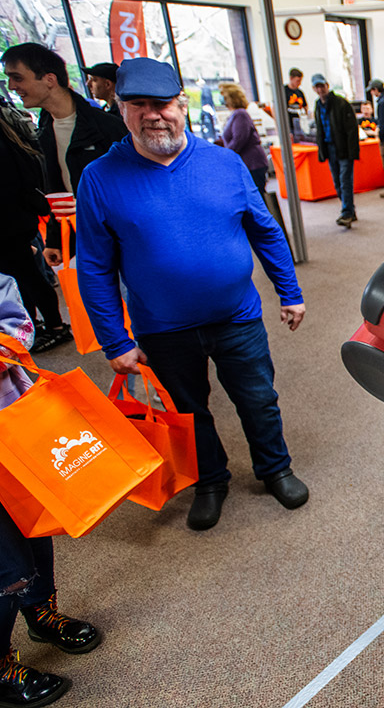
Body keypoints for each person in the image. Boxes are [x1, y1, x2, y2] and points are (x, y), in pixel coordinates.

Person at [76, 57, 308, 532]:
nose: (152, 114)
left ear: (181, 104)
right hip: (162, 327)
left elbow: (265, 231)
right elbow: (95, 267)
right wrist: (114, 341)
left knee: (258, 399)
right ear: (120, 109)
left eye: (162, 103)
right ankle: (210, 480)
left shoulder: (224, 162)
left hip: (237, 317)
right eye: (137, 105)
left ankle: (275, 468)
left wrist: (289, 291)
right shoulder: (100, 178)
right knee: (187, 411)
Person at [1, 273, 102, 708]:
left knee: (35, 526)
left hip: (15, 425)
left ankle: (41, 613)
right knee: (6, 565)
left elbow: (16, 318)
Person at [1, 43, 127, 273]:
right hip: (81, 241)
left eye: (17, 77)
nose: (11, 86)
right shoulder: (45, 128)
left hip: (120, 240)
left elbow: (134, 186)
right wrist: (54, 239)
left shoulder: (108, 127)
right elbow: (57, 191)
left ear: (49, 79)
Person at [0, 96, 68, 356]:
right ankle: (35, 323)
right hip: (17, 222)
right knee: (22, 278)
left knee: (26, 278)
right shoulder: (10, 138)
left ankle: (53, 325)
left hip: (9, 225)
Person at [311, 73, 359, 227]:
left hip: (343, 148)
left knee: (345, 181)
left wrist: (353, 152)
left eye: (322, 86)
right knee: (337, 183)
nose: (320, 89)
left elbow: (352, 130)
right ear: (314, 88)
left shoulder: (341, 103)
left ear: (327, 85)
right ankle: (350, 210)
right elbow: (319, 129)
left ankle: (346, 213)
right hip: (329, 148)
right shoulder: (318, 105)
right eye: (317, 87)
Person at [219, 82, 270, 194]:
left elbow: (239, 139)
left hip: (253, 164)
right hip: (248, 164)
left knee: (257, 198)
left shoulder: (240, 114)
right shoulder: (235, 114)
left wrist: (225, 155)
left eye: (223, 95)